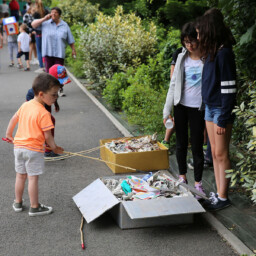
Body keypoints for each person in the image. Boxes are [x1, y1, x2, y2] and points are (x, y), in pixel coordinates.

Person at [5, 73, 64, 216]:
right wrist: (55, 148)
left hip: (18, 148)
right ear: (42, 94)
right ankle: (34, 206)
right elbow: (47, 136)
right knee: (32, 178)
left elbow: (14, 119)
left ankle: (18, 202)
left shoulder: (25, 105)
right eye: (54, 95)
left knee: (20, 176)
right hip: (33, 150)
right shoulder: (44, 113)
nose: (56, 98)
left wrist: (8, 134)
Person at [196, 9, 236, 211]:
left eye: (200, 32)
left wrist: (224, 117)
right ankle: (219, 195)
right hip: (210, 108)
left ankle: (223, 196)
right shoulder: (211, 53)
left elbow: (229, 89)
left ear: (209, 31)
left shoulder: (224, 53)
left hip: (221, 110)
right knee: (214, 152)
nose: (198, 36)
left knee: (221, 153)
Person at [163, 22, 205, 199]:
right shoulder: (181, 57)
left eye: (192, 41)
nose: (189, 45)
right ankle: (182, 178)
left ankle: (198, 184)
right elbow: (173, 84)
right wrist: (167, 110)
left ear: (198, 39)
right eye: (186, 42)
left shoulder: (207, 57)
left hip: (198, 108)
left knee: (196, 146)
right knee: (180, 144)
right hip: (181, 106)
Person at [26, 64, 71, 158]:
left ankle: (47, 147)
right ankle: (47, 149)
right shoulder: (43, 90)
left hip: (46, 102)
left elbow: (53, 96)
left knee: (49, 122)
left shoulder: (52, 88)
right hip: (36, 102)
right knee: (48, 123)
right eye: (60, 82)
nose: (62, 84)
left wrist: (56, 104)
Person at [31, 7, 76, 73]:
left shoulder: (64, 25)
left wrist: (73, 50)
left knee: (59, 74)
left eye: (56, 12)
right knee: (49, 74)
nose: (53, 14)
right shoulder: (45, 23)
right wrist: (44, 19)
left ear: (59, 15)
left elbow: (70, 39)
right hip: (48, 53)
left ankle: (58, 84)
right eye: (52, 12)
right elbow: (33, 25)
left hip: (59, 54)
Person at [161, 47, 182, 150]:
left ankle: (205, 144)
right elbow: (172, 75)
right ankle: (166, 141)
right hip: (179, 91)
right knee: (174, 118)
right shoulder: (178, 52)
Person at [33, 0, 48, 71]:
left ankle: (41, 66)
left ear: (36, 4)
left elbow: (34, 24)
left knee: (39, 50)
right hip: (46, 33)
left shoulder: (36, 13)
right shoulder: (46, 11)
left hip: (38, 34)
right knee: (46, 49)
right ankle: (47, 64)